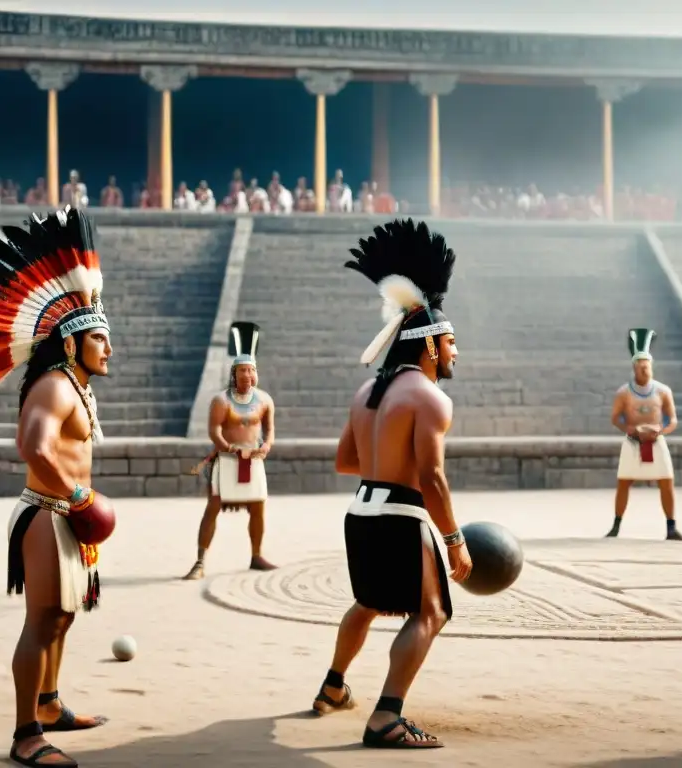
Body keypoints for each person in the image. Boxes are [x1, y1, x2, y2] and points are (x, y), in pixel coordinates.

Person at [310, 219, 472, 749]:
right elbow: (431, 477)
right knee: (433, 611)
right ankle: (387, 715)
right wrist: (453, 539)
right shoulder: (430, 398)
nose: (454, 353)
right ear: (428, 345)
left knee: (369, 601)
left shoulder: (366, 392)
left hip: (360, 509)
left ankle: (333, 686)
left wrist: (385, 467)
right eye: (450, 343)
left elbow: (344, 460)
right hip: (401, 516)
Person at [1, 206, 113, 767]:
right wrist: (76, 496)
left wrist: (78, 501)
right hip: (48, 511)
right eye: (99, 339)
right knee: (42, 620)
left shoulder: (76, 385)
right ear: (71, 344)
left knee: (64, 615)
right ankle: (25, 735)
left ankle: (48, 704)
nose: (108, 349)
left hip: (65, 511)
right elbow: (33, 446)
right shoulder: (54, 387)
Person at [184, 322, 276, 580]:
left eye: (251, 370)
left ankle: (256, 555)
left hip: (254, 460)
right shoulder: (221, 401)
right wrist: (228, 448)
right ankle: (200, 561)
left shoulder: (265, 400)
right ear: (234, 374)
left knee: (258, 508)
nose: (247, 375)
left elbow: (269, 430)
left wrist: (266, 446)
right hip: (227, 460)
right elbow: (214, 431)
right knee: (213, 507)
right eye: (243, 371)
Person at [606, 328, 682, 540]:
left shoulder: (663, 391)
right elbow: (615, 418)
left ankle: (671, 527)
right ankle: (616, 525)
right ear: (634, 368)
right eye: (640, 367)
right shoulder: (623, 393)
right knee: (624, 483)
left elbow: (673, 419)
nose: (644, 370)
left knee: (666, 482)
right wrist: (629, 429)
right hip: (633, 442)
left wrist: (661, 430)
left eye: (647, 367)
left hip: (656, 442)